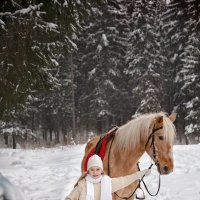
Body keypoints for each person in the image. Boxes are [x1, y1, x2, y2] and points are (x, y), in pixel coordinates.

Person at [65, 154, 151, 200]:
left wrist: (141, 173)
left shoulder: (108, 183)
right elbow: (69, 198)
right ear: (88, 171)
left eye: (98, 169)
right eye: (92, 169)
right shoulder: (82, 185)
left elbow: (125, 180)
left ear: (102, 170)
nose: (95, 172)